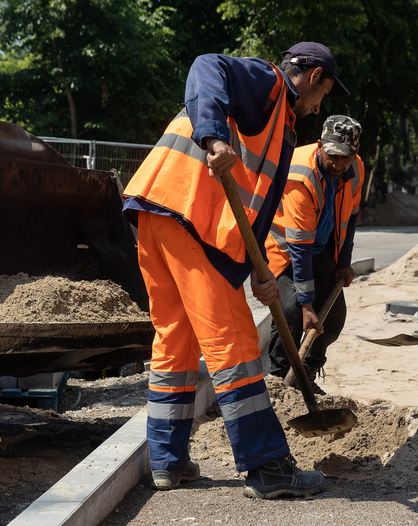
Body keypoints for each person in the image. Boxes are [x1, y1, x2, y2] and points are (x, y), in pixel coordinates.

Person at [122, 42, 350, 498]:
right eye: (324, 91)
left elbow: (254, 209)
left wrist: (258, 270)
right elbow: (204, 64)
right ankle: (268, 468)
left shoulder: (279, 122)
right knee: (236, 343)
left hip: (158, 208)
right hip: (190, 217)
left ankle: (168, 462)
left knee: (176, 340)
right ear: (313, 75)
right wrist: (215, 138)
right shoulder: (268, 85)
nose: (320, 104)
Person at [265, 115, 364, 387]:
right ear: (320, 145)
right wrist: (307, 304)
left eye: (346, 158)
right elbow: (299, 246)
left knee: (332, 319)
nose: (338, 164)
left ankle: (304, 377)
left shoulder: (355, 170)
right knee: (291, 311)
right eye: (332, 155)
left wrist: (344, 263)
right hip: (285, 249)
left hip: (322, 249)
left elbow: (351, 218)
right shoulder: (300, 175)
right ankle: (278, 378)